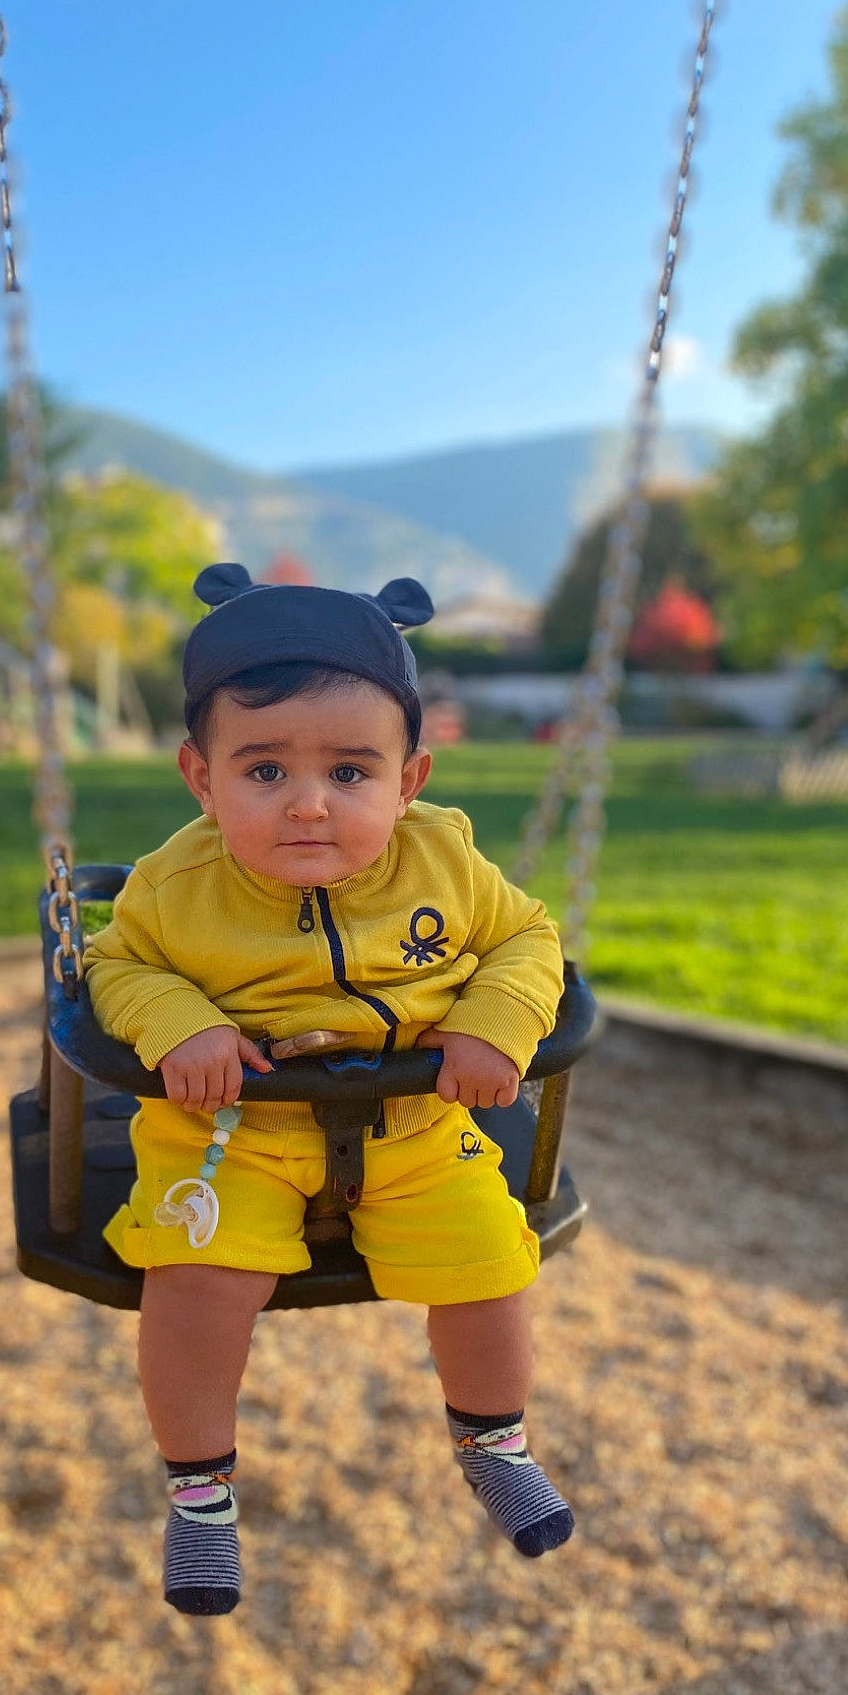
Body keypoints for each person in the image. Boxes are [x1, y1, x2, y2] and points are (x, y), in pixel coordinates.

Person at [86, 563, 574, 1615]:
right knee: (193, 1288)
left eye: (351, 772)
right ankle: (201, 1489)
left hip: (414, 1122)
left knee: (493, 1267)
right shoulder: (174, 885)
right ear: (200, 777)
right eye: (264, 771)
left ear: (410, 779)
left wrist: (496, 1020)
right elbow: (114, 965)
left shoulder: (446, 861)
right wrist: (183, 1021)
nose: (309, 803)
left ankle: (494, 1437)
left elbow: (529, 940)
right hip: (229, 1132)